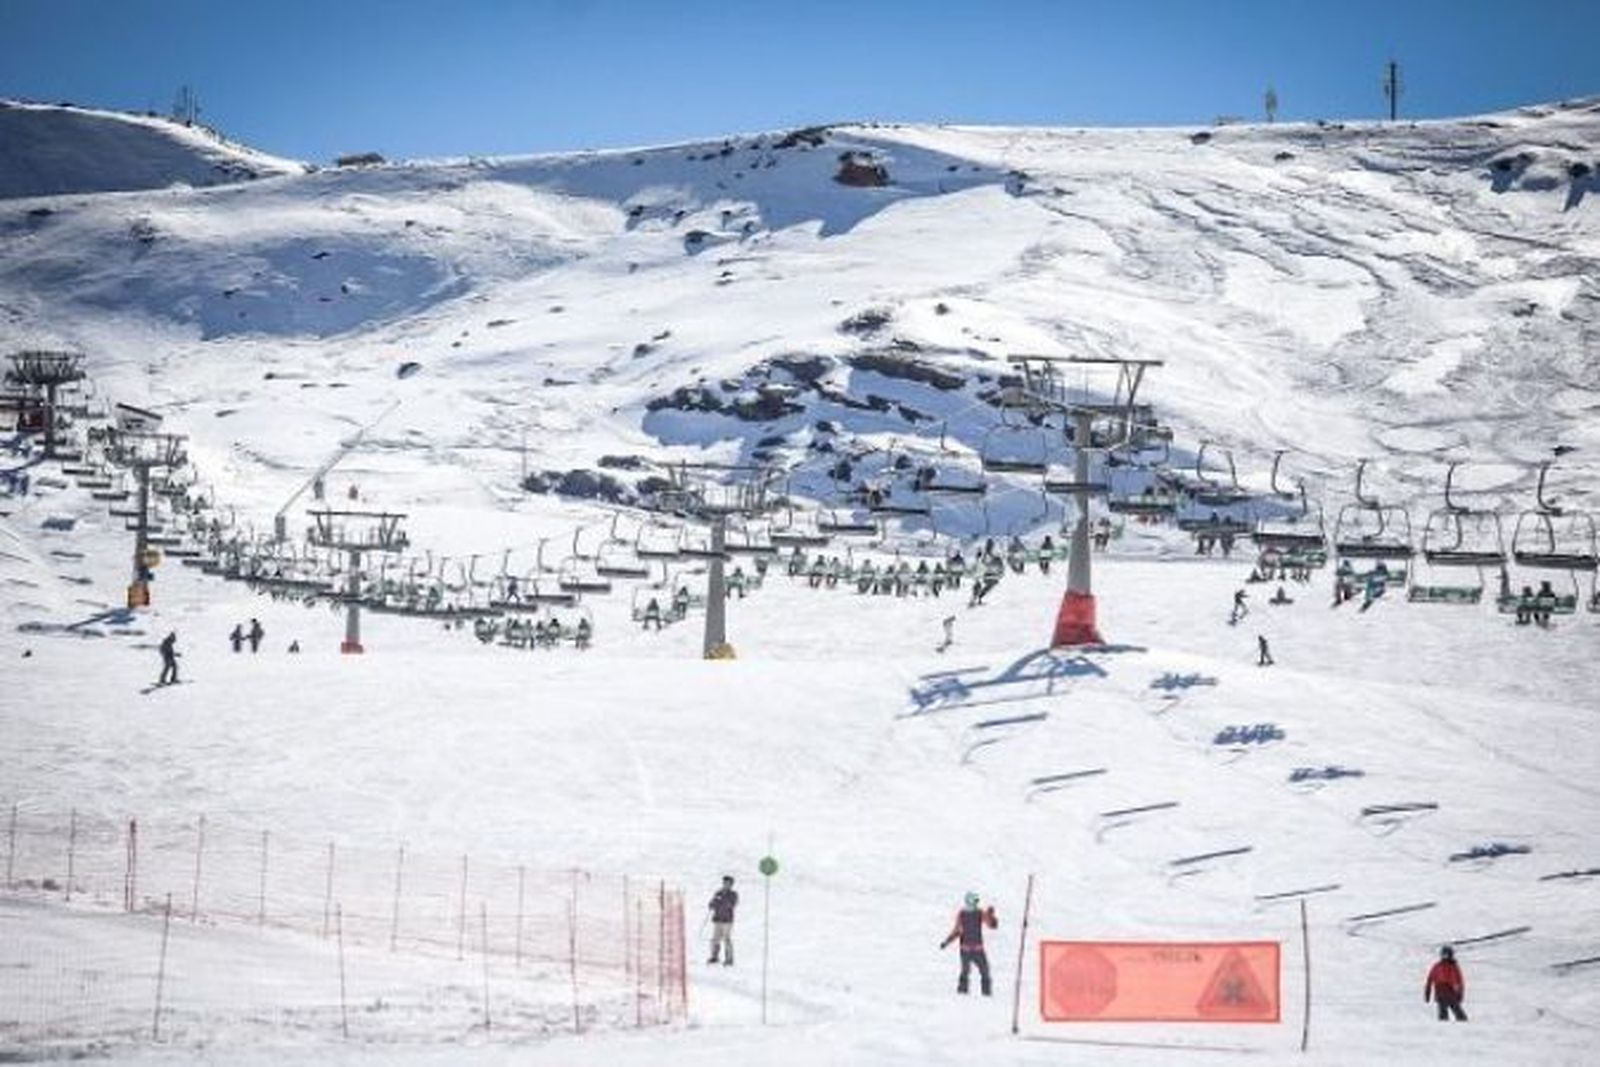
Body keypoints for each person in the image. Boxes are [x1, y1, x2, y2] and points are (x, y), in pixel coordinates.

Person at [940, 892, 998, 995]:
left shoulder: (980, 913)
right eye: (974, 901)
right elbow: (957, 931)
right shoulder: (962, 914)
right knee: (966, 971)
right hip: (966, 949)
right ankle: (963, 993)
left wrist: (991, 916)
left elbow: (992, 925)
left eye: (976, 901)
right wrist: (946, 942)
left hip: (976, 949)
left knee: (984, 971)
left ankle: (986, 994)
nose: (976, 903)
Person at [1424, 945, 1467, 1021]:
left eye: (1447, 955)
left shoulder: (1454, 967)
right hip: (1440, 991)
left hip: (1451, 992)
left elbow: (1459, 981)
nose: (1445, 957)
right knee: (1443, 1012)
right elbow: (1430, 979)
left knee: (1457, 1010)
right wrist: (1427, 992)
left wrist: (1460, 993)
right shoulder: (1437, 966)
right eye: (1444, 955)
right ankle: (1444, 1024)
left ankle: (1463, 1023)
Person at [708, 876, 738, 965]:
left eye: (728, 883)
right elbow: (711, 904)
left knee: (726, 939)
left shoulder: (733, 894)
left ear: (731, 885)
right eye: (725, 883)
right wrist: (713, 903)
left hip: (727, 920)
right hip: (717, 919)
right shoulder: (718, 893)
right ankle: (714, 956)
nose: (726, 885)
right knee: (715, 938)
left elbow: (730, 904)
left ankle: (729, 958)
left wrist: (720, 901)